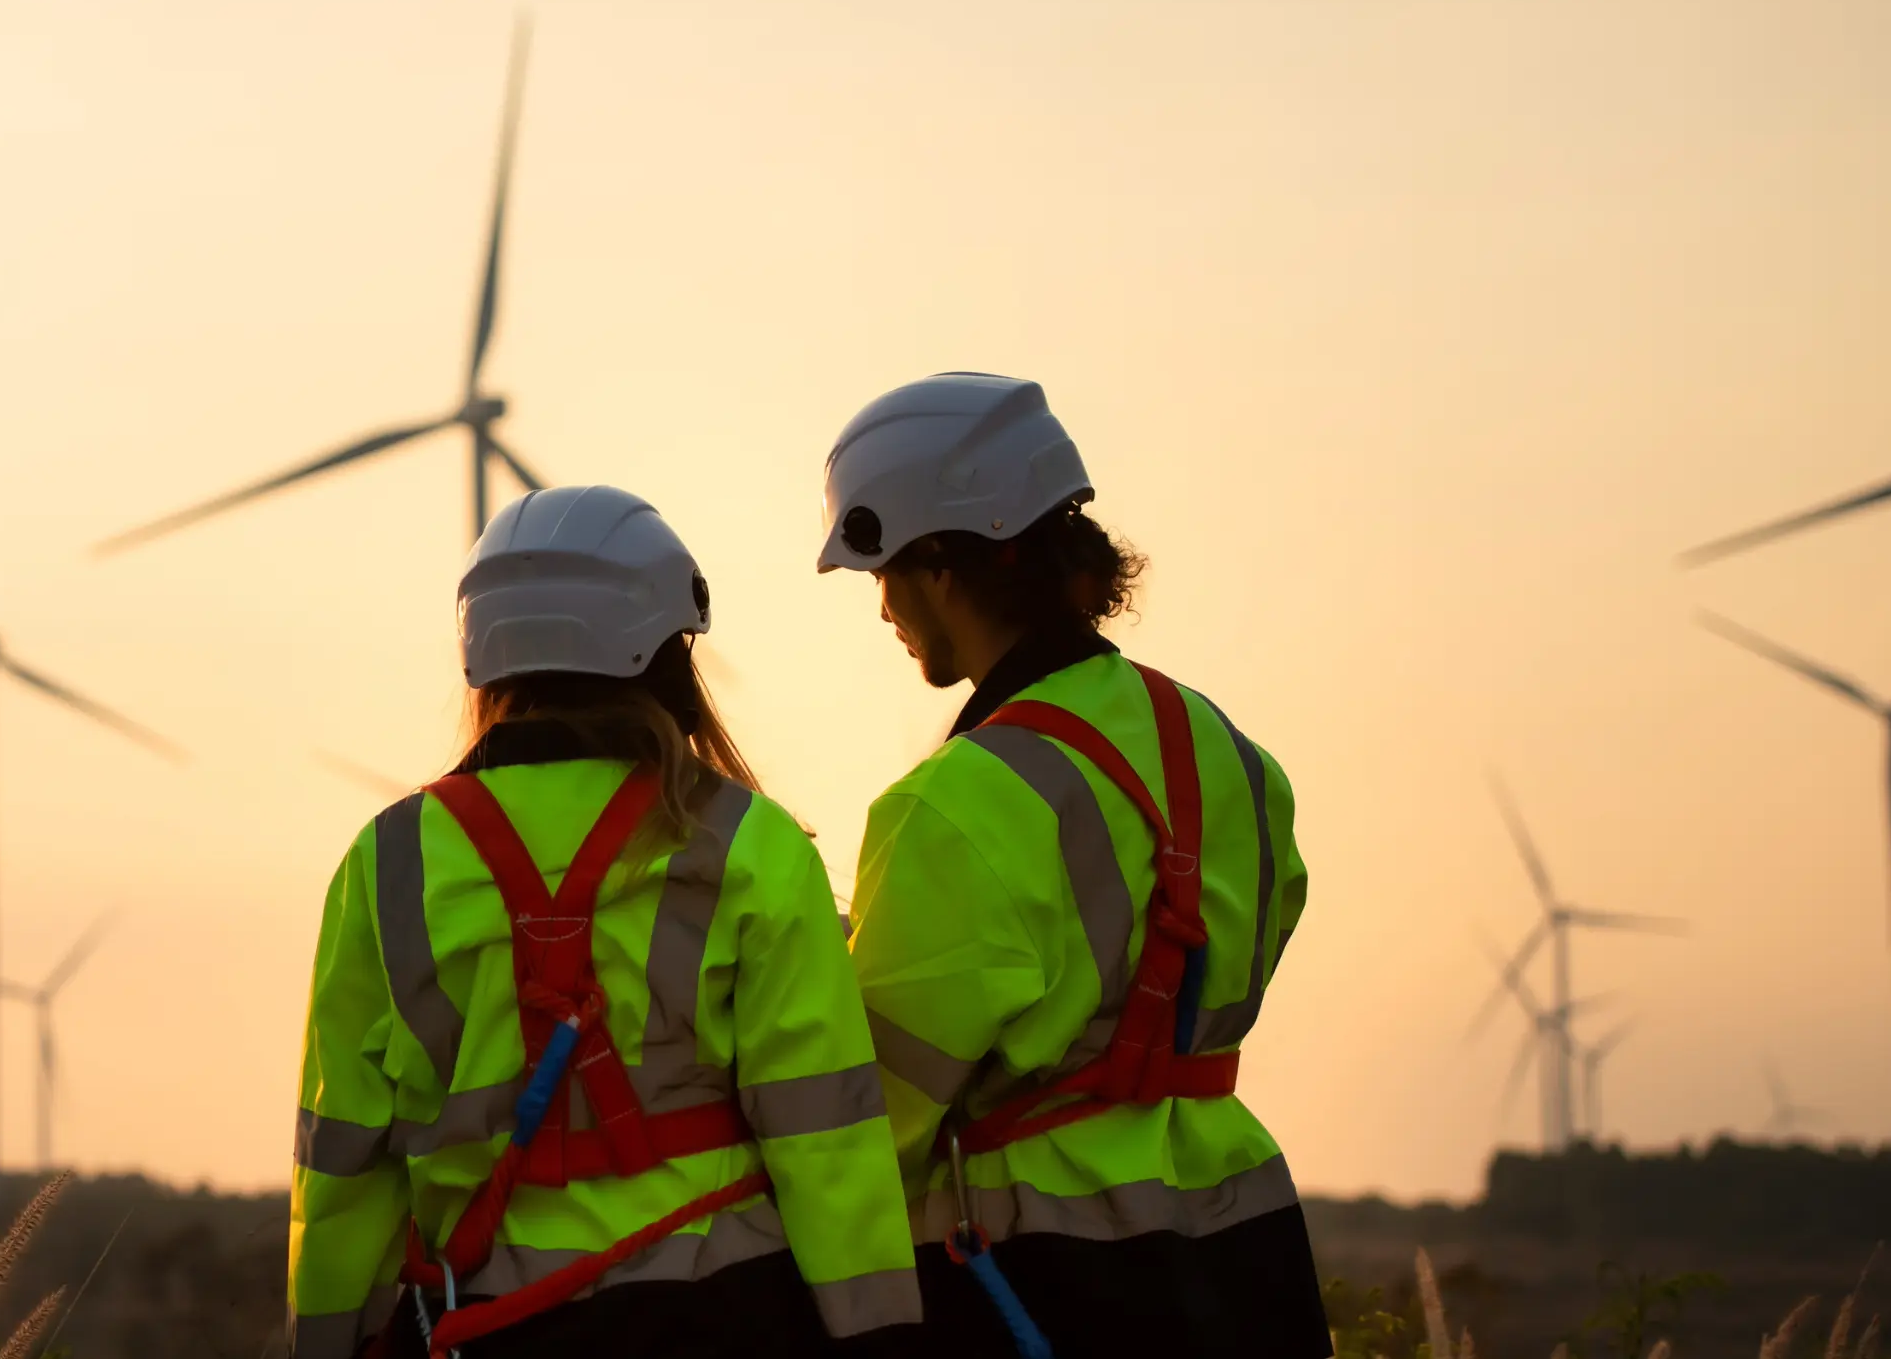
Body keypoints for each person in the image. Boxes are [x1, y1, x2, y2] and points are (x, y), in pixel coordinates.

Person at [290, 484, 922, 1359]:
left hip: (487, 1318)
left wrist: (326, 1342)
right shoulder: (750, 846)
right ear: (667, 652)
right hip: (725, 1312)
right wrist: (878, 1336)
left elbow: (342, 1163)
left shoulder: (387, 861)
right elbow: (826, 1137)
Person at [817, 374, 1327, 1359]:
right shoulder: (1230, 753)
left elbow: (871, 1117)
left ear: (936, 563)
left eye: (879, 570)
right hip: (1247, 1248)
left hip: (1043, 1273)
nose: (880, 604)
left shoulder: (953, 805)